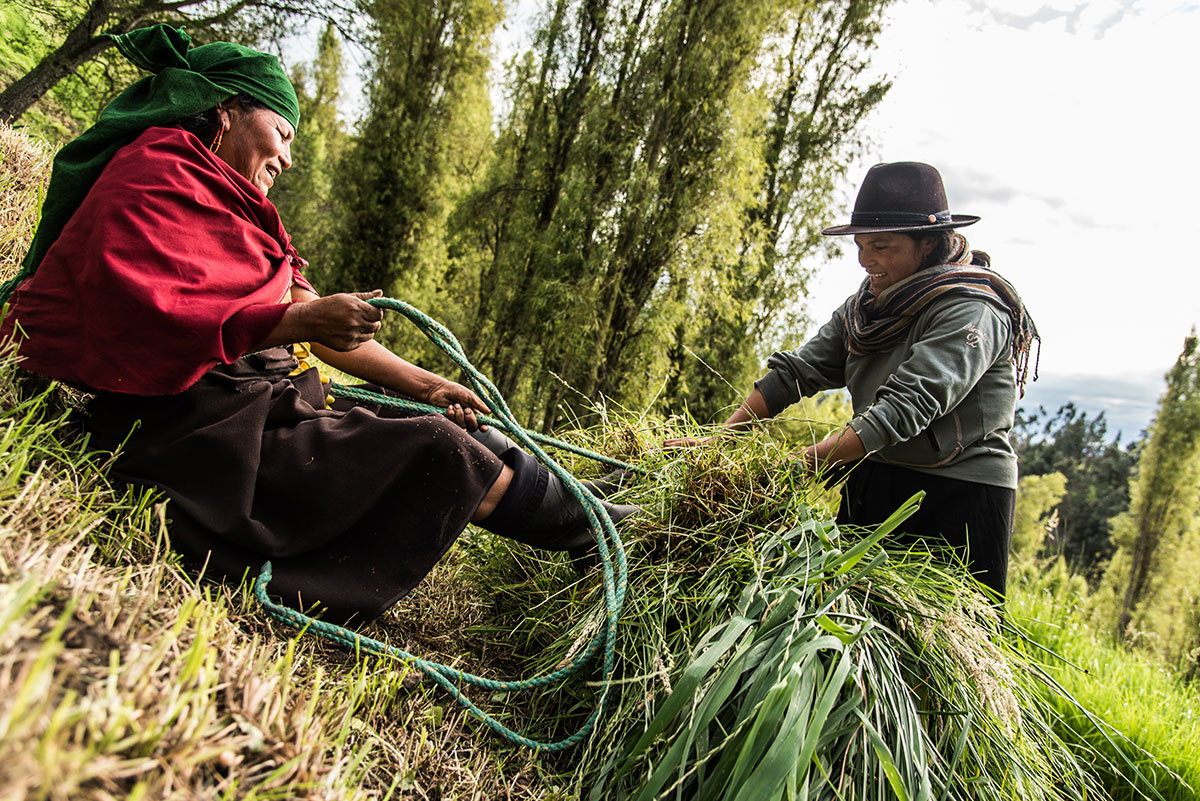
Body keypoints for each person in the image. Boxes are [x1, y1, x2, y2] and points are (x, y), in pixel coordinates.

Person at [0, 24, 634, 624]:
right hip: (198, 436)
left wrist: (427, 385)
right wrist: (301, 318)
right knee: (441, 452)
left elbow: (313, 324)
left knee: (437, 423)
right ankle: (602, 538)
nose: (289, 157)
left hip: (258, 406)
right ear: (225, 114)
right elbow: (157, 315)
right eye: (282, 131)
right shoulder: (153, 176)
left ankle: (597, 518)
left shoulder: (242, 208)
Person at [667, 162, 1037, 598]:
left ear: (929, 244)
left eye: (882, 246)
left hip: (960, 492)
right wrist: (722, 442)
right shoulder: (864, 307)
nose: (866, 261)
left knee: (950, 637)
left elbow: (905, 407)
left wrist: (790, 467)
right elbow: (797, 371)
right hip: (877, 471)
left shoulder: (972, 308)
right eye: (861, 246)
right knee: (846, 617)